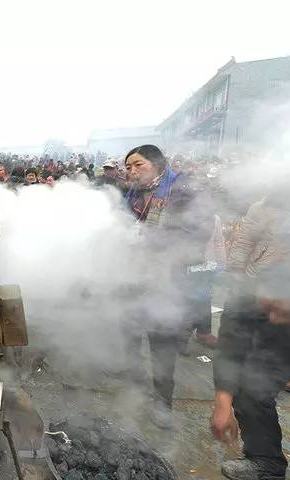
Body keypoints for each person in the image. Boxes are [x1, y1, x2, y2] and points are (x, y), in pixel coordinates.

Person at [123, 144, 212, 429]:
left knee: (162, 344)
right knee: (129, 332)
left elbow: (200, 230)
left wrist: (156, 241)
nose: (132, 171)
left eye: (138, 165)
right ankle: (134, 384)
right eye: (128, 167)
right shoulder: (133, 193)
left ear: (158, 165)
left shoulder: (182, 189)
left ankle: (163, 402)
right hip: (135, 276)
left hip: (168, 280)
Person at [211, 193, 290, 480]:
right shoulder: (253, 291)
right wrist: (223, 402)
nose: (271, 319)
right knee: (251, 387)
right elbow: (231, 341)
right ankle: (267, 463)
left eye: (280, 311)